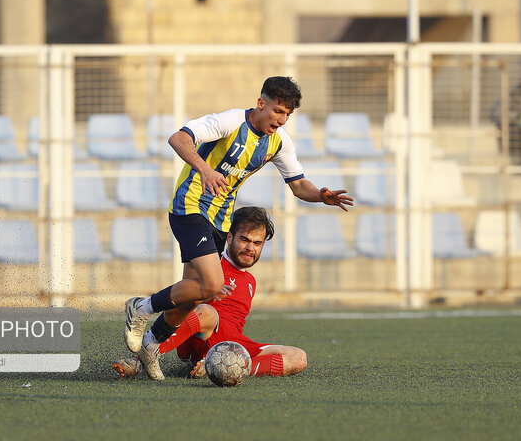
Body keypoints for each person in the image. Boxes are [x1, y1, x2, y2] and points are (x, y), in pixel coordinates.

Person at [123, 76, 352, 380]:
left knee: (190, 298)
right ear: (261, 104)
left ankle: (152, 345)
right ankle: (141, 307)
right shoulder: (230, 122)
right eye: (277, 111)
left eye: (287, 114)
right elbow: (178, 139)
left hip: (220, 219)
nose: (281, 120)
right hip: (190, 206)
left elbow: (298, 185)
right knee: (213, 285)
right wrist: (204, 169)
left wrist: (321, 195)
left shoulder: (279, 142)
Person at [113, 206, 307, 379]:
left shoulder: (250, 281)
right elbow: (181, 298)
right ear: (229, 237)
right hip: (201, 335)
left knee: (298, 357)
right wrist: (204, 295)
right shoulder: (210, 266)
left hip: (232, 344)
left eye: (257, 243)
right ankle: (139, 361)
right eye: (245, 240)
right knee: (207, 312)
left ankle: (228, 366)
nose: (250, 248)